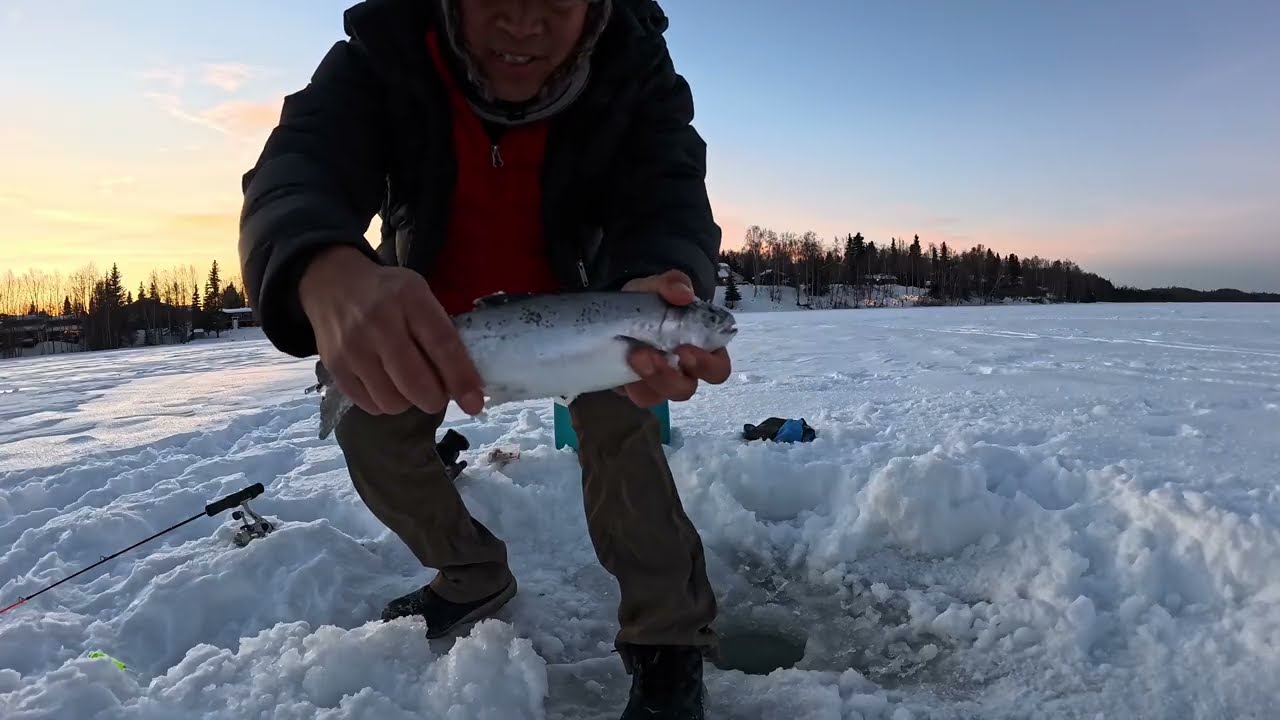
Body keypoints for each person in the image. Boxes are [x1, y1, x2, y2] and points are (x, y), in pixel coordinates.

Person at [237, 0, 729, 717]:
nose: (524, 24)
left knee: (628, 439)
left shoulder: (635, 70)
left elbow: (668, 192)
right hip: (436, 315)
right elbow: (300, 165)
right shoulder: (385, 50)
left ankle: (671, 638)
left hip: (589, 310)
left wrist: (660, 274)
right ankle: (470, 573)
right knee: (370, 428)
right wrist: (319, 263)